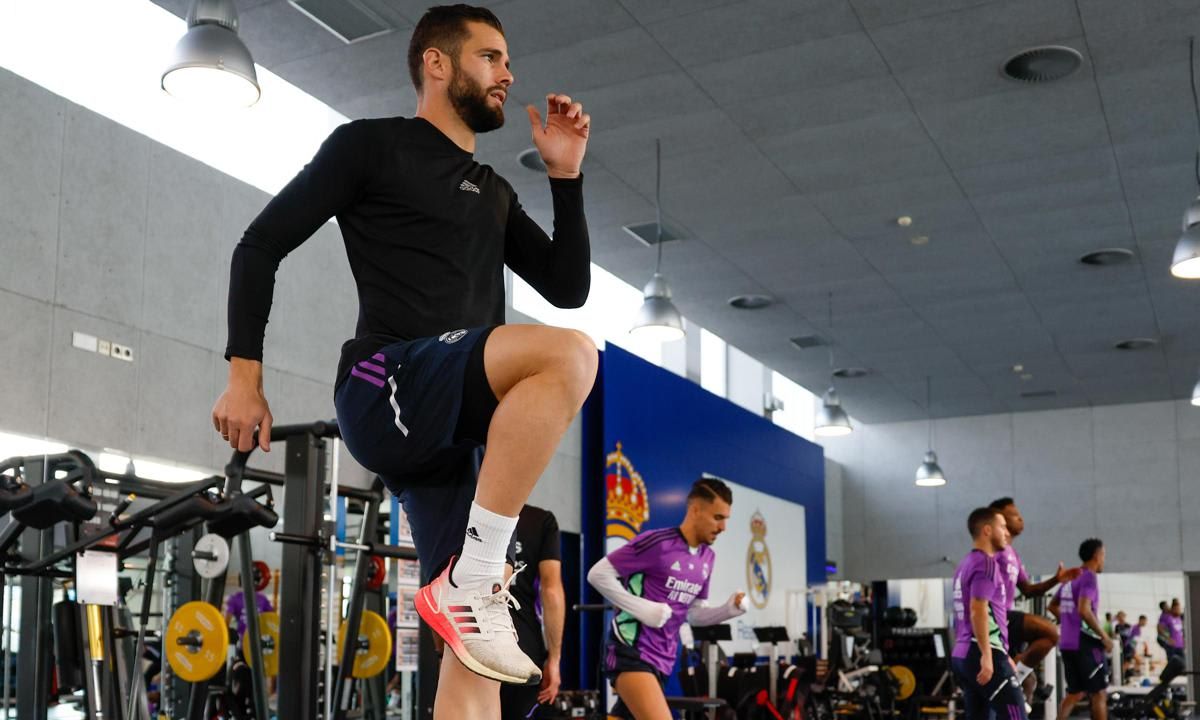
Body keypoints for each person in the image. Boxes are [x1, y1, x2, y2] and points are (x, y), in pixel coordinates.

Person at [211, 5, 596, 717]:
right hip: (384, 381)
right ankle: (471, 577)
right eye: (491, 57)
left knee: (474, 657)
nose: (508, 73)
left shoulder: (495, 193)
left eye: (507, 61)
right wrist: (245, 377)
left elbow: (568, 286)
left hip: (453, 432)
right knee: (569, 357)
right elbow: (258, 245)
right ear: (437, 63)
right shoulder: (370, 148)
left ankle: (466, 586)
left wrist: (565, 177)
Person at [587, 478, 747, 720]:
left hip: (663, 658)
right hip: (630, 649)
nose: (723, 527)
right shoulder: (658, 543)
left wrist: (728, 610)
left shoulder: (707, 558)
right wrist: (643, 608)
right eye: (717, 517)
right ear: (695, 510)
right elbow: (597, 574)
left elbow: (691, 614)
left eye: (726, 519)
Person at [988, 498, 1080, 702]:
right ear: (1000, 519)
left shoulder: (1013, 554)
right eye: (1015, 514)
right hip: (995, 618)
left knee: (1029, 685)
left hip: (1007, 624)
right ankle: (1017, 670)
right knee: (1049, 632)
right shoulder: (993, 550)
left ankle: (1017, 679)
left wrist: (1056, 580)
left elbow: (1028, 590)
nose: (1021, 518)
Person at [949, 507, 1027, 720]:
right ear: (987, 530)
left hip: (964, 654)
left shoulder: (964, 565)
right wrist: (988, 655)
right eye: (1002, 527)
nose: (1006, 533)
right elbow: (978, 610)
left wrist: (1002, 653)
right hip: (982, 652)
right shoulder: (986, 564)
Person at [500, 504, 566, 720]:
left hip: (470, 640)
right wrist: (554, 660)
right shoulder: (539, 520)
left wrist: (441, 654)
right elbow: (551, 590)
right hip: (520, 646)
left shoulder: (462, 512)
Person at [1049, 539, 1110, 720]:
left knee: (1075, 693)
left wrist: (1068, 622)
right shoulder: (1089, 577)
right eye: (1103, 555)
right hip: (1086, 643)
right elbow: (1084, 610)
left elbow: (1052, 606)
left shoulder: (1071, 576)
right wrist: (1104, 636)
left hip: (1067, 642)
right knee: (1099, 694)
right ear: (1096, 556)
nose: (1104, 560)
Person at [1161, 598, 1185, 663]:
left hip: (1180, 646)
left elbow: (1180, 632)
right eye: (1177, 609)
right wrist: (1168, 638)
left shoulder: (1180, 619)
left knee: (1183, 663)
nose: (1179, 611)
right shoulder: (1167, 617)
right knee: (1172, 663)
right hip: (1171, 647)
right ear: (1173, 609)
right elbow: (1160, 629)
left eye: (1179, 609)